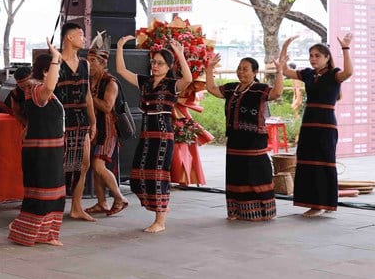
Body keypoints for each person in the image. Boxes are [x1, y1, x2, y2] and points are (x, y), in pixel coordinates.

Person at [116, 36, 192, 233]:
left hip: (163, 135)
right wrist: (121, 47)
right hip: (147, 134)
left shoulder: (171, 84)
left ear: (168, 66)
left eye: (160, 63)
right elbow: (122, 71)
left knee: (159, 176)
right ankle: (161, 207)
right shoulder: (146, 82)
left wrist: (180, 55)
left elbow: (188, 79)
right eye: (154, 62)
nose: (155, 66)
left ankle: (160, 220)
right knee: (139, 174)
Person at [206, 51, 286, 221]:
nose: (241, 72)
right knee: (236, 172)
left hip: (254, 139)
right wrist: (209, 68)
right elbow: (211, 89)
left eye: (245, 69)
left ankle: (260, 211)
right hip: (235, 138)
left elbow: (277, 93)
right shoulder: (231, 88)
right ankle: (237, 210)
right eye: (239, 68)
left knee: (254, 172)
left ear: (255, 72)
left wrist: (279, 71)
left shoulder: (259, 89)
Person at [279, 34, 353, 217]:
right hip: (309, 122)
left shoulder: (334, 74)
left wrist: (345, 49)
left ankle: (322, 204)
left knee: (324, 162)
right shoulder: (308, 74)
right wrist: (285, 47)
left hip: (326, 124)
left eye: (317, 55)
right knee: (306, 161)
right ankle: (314, 203)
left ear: (327, 57)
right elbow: (285, 71)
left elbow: (349, 72)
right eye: (311, 55)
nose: (313, 59)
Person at [7, 41, 66, 246]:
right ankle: (25, 234)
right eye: (55, 70)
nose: (58, 74)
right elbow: (49, 85)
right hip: (41, 152)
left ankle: (47, 234)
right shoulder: (35, 88)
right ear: (45, 71)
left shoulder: (44, 91)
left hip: (52, 150)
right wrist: (57, 57)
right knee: (42, 194)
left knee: (56, 193)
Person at [55, 22, 98, 221]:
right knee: (59, 165)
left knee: (84, 163)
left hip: (82, 120)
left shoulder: (85, 64)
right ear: (69, 37)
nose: (84, 38)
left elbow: (88, 94)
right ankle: (54, 207)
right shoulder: (55, 61)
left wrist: (93, 120)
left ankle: (77, 206)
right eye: (81, 34)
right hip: (61, 120)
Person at [86, 44, 129, 216]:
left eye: (93, 61)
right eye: (88, 60)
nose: (89, 64)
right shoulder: (90, 80)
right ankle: (102, 203)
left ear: (103, 63)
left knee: (98, 165)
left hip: (108, 130)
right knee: (94, 168)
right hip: (94, 129)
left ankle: (120, 198)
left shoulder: (110, 82)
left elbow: (106, 106)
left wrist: (88, 94)